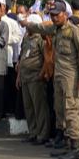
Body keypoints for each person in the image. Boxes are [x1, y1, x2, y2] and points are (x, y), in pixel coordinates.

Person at [25, 0, 79, 159]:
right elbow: (40, 27)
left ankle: (76, 147)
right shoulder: (56, 29)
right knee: (60, 109)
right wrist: (25, 22)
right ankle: (67, 144)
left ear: (65, 14)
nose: (54, 18)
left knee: (71, 110)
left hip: (71, 76)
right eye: (52, 15)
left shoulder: (74, 31)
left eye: (56, 15)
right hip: (59, 75)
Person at [18, 13, 52, 145]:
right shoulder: (26, 37)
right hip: (25, 76)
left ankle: (43, 135)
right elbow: (22, 57)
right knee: (29, 107)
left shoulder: (40, 39)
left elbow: (46, 59)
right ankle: (33, 132)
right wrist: (19, 76)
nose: (27, 27)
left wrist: (42, 74)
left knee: (39, 107)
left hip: (36, 77)